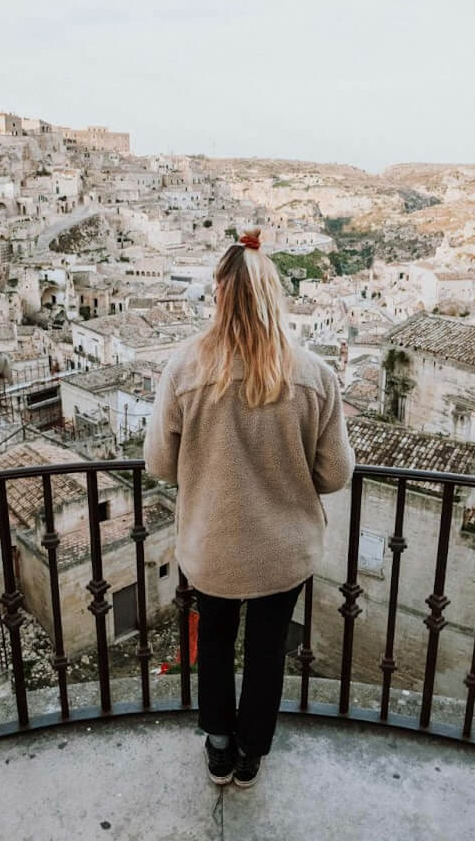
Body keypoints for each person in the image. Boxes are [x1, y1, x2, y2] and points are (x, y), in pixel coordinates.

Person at [144, 227, 354, 788]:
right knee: (266, 651)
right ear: (274, 295)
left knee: (213, 642)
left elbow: (160, 464)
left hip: (211, 548)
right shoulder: (314, 375)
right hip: (282, 551)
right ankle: (251, 754)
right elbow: (334, 474)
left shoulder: (184, 369)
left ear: (218, 292)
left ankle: (217, 744)